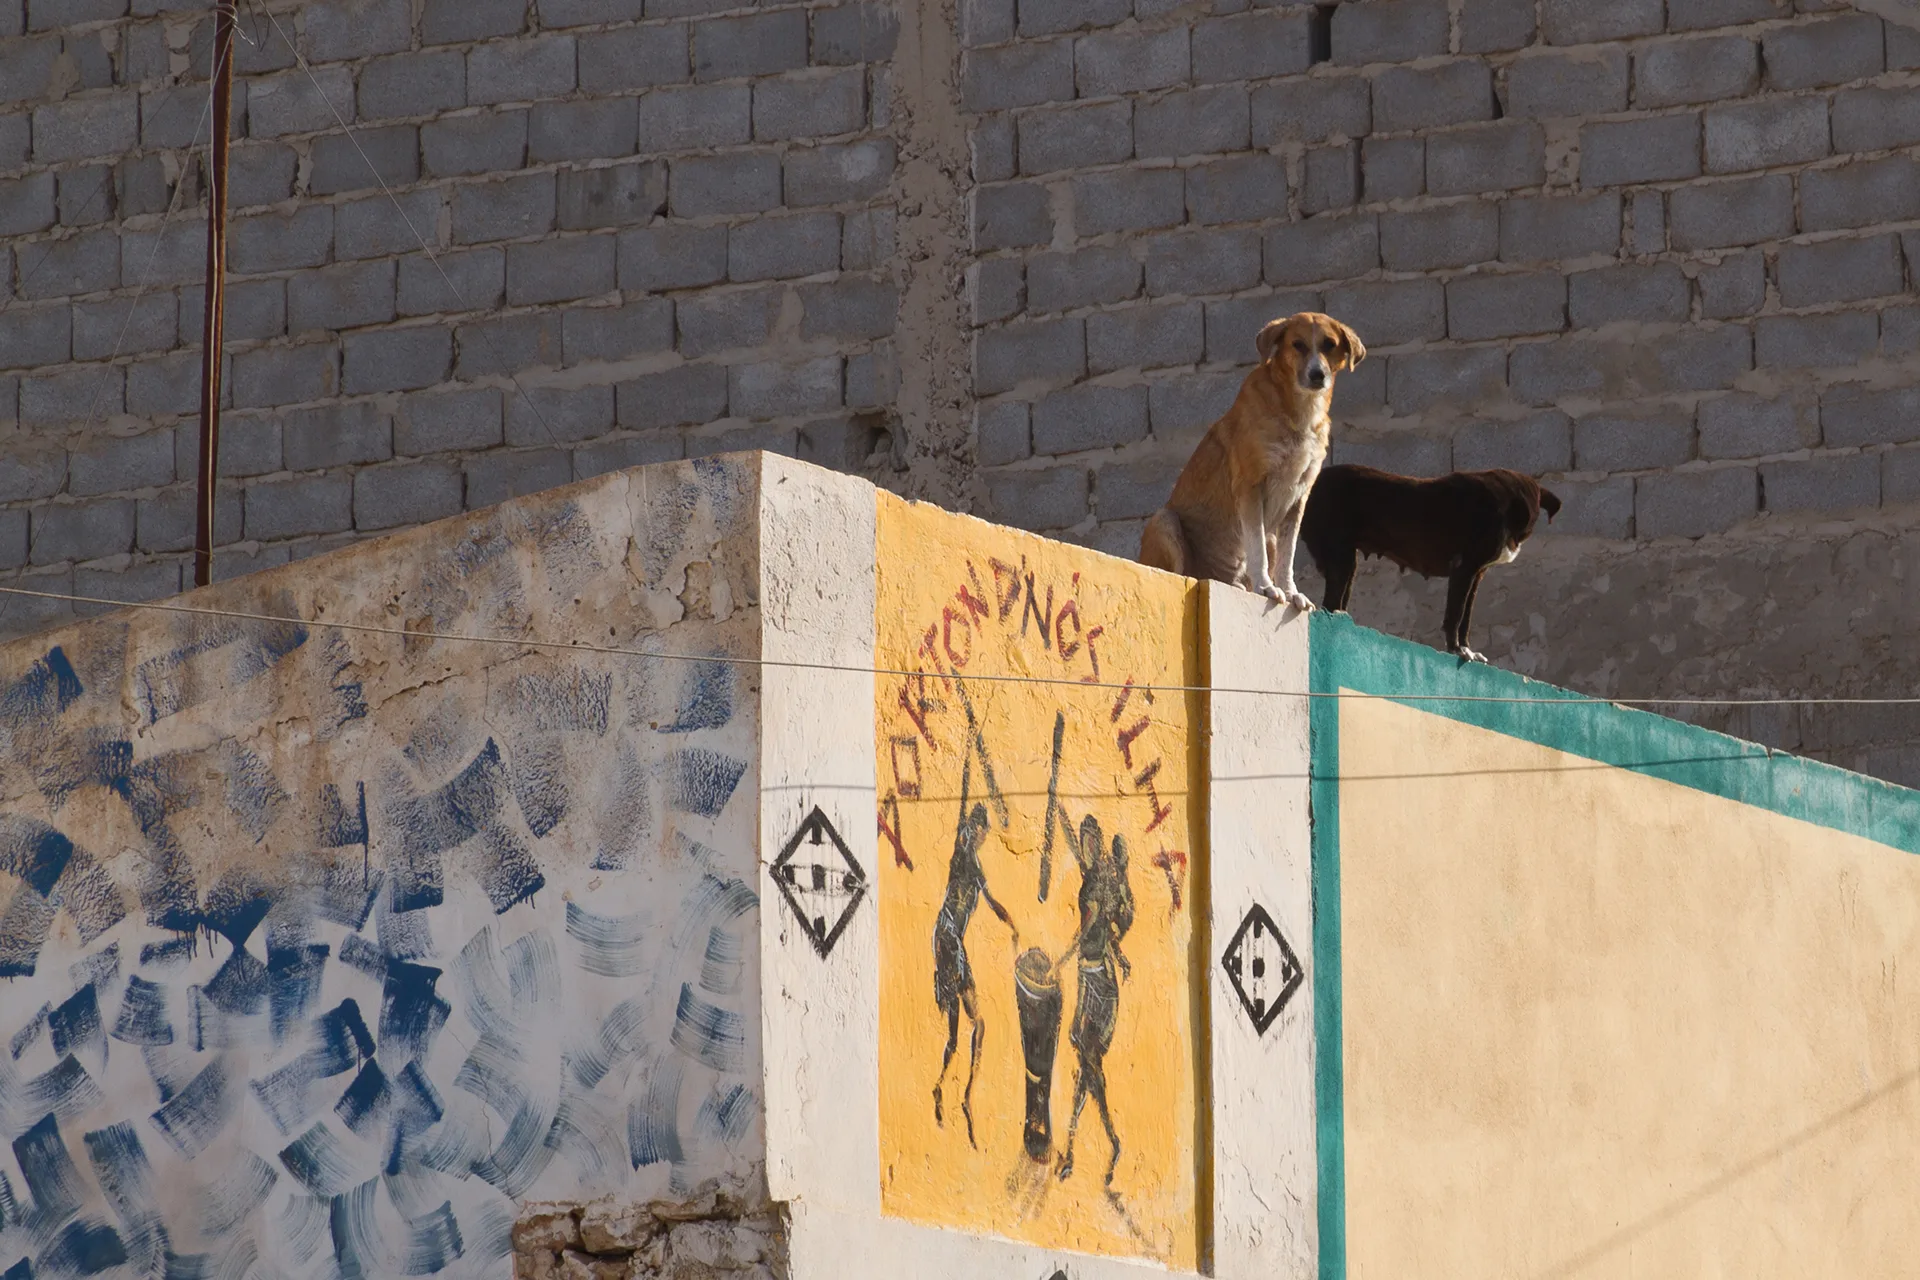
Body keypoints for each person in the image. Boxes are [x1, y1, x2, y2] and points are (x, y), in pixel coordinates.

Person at [931, 758, 1017, 1148]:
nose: (981, 838)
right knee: (959, 1024)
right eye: (979, 832)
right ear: (972, 829)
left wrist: (1010, 921)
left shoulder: (976, 865)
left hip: (955, 945)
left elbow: (992, 899)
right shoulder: (960, 852)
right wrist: (965, 760)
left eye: (981, 835)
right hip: (947, 939)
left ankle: (956, 1092)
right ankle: (948, 1091)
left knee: (972, 1024)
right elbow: (962, 801)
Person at [1057, 814, 1133, 1188]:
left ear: (1097, 842)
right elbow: (1104, 932)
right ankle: (1097, 1144)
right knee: (1088, 1071)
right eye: (1083, 841)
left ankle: (1087, 1145)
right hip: (1093, 977)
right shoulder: (1095, 877)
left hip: (1100, 984)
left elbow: (1091, 928)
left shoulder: (1098, 882)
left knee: (1089, 1067)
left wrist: (1062, 957)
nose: (1084, 847)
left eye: (1089, 841)